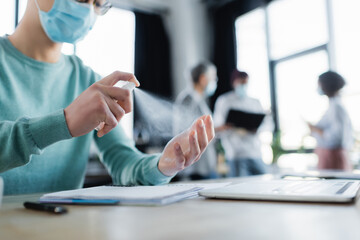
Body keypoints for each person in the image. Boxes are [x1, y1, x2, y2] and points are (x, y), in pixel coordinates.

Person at [0, 0, 215, 195]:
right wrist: (64, 122)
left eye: (98, 3)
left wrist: (162, 165)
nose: (88, 11)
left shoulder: (87, 80)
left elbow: (123, 161)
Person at [213, 70, 266, 177]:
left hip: (255, 153)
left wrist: (256, 128)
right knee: (239, 188)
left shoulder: (255, 102)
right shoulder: (224, 101)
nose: (244, 86)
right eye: (241, 83)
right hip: (236, 155)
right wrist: (229, 126)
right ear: (234, 83)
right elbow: (216, 129)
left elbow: (266, 124)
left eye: (246, 83)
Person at [173, 62, 218, 180]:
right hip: (196, 168)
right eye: (213, 77)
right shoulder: (188, 99)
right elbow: (186, 131)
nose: (216, 80)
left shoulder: (198, 99)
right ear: (203, 78)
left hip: (205, 165)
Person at [308, 71, 353, 170]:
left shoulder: (336, 108)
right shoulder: (333, 106)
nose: (318, 88)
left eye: (319, 84)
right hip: (329, 156)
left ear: (326, 85)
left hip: (332, 158)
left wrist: (315, 129)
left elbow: (336, 138)